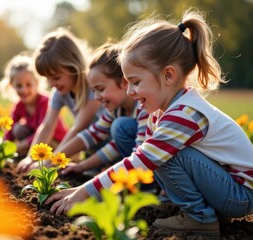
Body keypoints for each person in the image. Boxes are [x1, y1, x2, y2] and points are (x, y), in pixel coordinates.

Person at [45, 8, 253, 238]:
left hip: (239, 195)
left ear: (168, 75)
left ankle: (200, 218)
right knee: (159, 151)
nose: (130, 91)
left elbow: (141, 160)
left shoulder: (184, 113)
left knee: (161, 153)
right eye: (127, 83)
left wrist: (84, 192)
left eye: (135, 82)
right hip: (226, 188)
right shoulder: (164, 112)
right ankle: (191, 209)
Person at [56, 41, 148, 177]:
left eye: (100, 89)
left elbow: (142, 155)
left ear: (124, 82)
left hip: (147, 167)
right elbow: (92, 135)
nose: (96, 97)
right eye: (93, 90)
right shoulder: (115, 110)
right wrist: (57, 161)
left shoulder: (144, 107)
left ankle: (148, 189)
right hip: (137, 164)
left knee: (120, 126)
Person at [15, 28, 102, 173]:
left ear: (74, 67)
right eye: (47, 78)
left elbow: (78, 127)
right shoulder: (59, 92)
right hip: (89, 147)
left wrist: (51, 161)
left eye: (56, 77)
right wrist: (31, 157)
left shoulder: (92, 87)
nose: (50, 84)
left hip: (108, 144)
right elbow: (47, 125)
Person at [0, 54, 67, 157]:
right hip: (37, 141)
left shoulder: (45, 102)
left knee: (44, 145)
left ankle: (33, 157)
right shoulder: (19, 106)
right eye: (19, 86)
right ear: (12, 86)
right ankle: (28, 155)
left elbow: (43, 133)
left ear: (37, 83)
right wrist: (4, 147)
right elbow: (10, 129)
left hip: (55, 141)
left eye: (28, 84)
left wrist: (20, 146)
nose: (24, 90)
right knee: (18, 129)